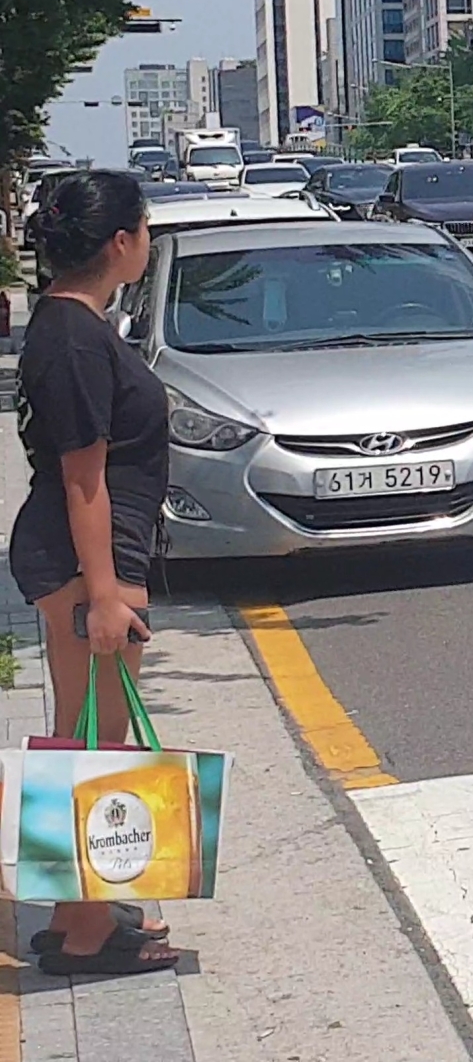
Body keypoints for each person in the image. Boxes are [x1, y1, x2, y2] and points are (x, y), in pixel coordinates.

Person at [9, 171, 177, 977]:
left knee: (85, 736)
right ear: (120, 242)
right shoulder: (75, 337)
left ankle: (81, 913)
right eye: (143, 228)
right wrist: (106, 592)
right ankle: (82, 934)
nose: (148, 240)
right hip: (84, 561)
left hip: (82, 555)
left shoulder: (69, 324)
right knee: (97, 746)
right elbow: (84, 477)